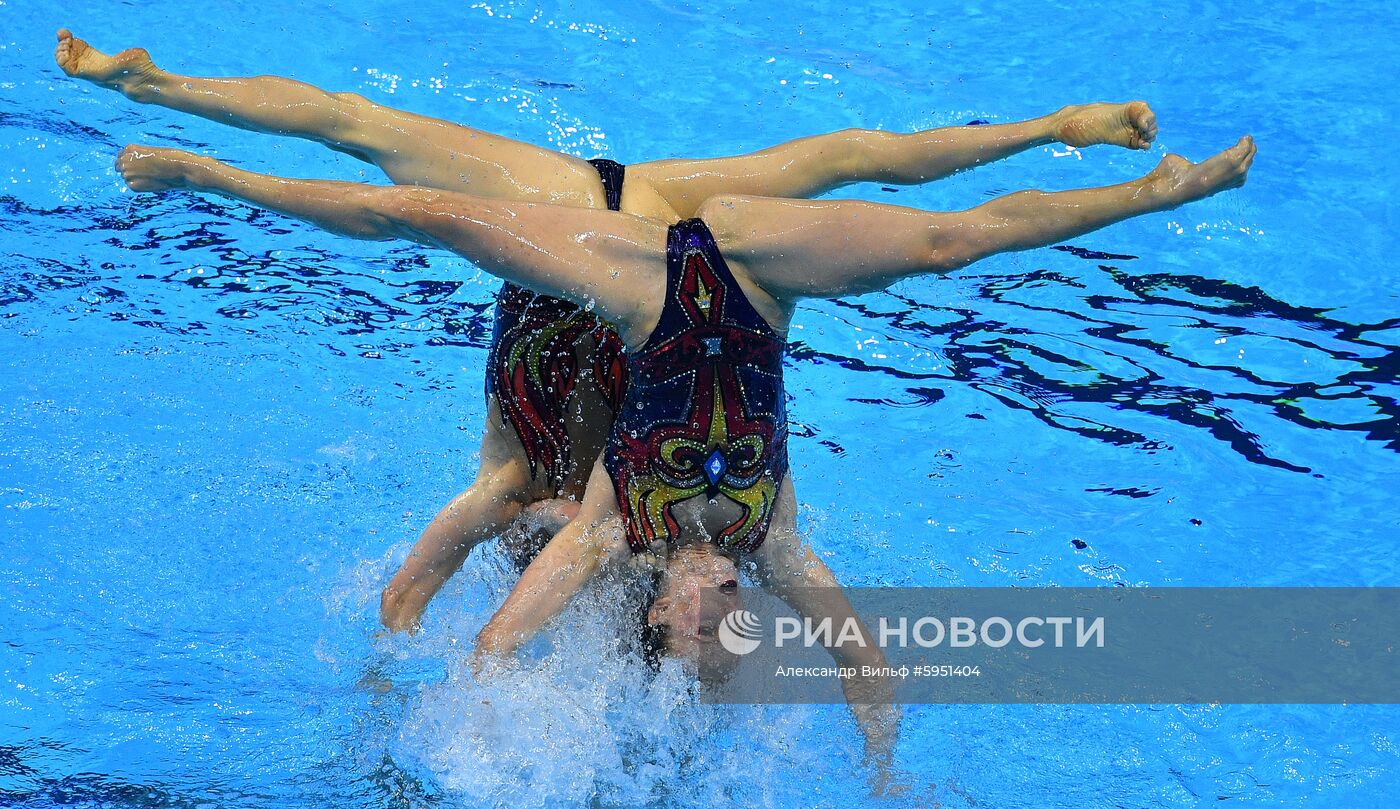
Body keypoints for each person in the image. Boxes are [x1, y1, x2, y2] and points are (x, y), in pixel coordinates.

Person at [53, 29, 1165, 636]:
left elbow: (418, 595)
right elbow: (410, 592)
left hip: (636, 226)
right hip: (593, 224)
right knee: (371, 138)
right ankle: (171, 110)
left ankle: (162, 94)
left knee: (846, 155)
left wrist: (409, 651)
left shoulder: (602, 503)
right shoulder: (546, 490)